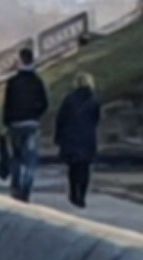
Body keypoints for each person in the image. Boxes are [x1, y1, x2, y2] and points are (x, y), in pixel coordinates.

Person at [2, 48, 49, 202]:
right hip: (31, 124)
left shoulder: (13, 82)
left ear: (21, 61)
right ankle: (26, 189)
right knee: (30, 159)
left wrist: (6, 122)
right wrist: (36, 115)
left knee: (16, 157)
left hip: (15, 124)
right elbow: (44, 103)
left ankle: (15, 186)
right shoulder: (37, 82)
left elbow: (7, 105)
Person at [54, 72, 102, 208]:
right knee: (85, 168)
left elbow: (61, 120)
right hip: (87, 138)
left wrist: (58, 138)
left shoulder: (69, 99)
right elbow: (96, 119)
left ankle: (74, 193)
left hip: (71, 137)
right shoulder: (93, 100)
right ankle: (82, 194)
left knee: (73, 168)